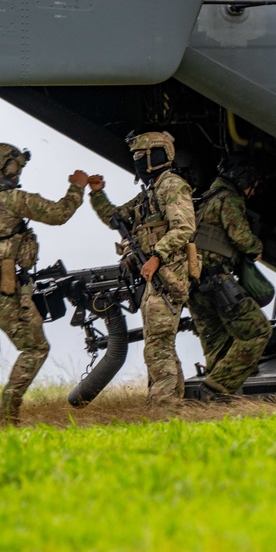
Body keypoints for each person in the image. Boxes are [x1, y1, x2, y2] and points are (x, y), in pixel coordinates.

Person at [0, 142, 89, 423]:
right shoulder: (12, 199)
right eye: (17, 165)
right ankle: (7, 414)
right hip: (0, 287)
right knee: (35, 348)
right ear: (10, 166)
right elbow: (58, 214)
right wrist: (77, 187)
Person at [87, 131, 195, 405]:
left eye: (140, 156)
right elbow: (116, 218)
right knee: (159, 344)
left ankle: (165, 409)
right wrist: (98, 194)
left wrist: (157, 256)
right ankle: (171, 403)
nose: (136, 162)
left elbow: (184, 227)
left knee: (158, 346)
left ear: (155, 157)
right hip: (155, 275)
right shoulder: (150, 192)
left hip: (169, 274)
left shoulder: (172, 186)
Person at [189, 155, 273, 399]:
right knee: (259, 332)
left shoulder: (202, 201)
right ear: (243, 180)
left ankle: (216, 401)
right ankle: (218, 386)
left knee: (217, 342)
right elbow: (241, 237)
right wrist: (256, 247)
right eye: (252, 186)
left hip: (194, 287)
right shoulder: (230, 199)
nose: (251, 192)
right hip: (217, 283)